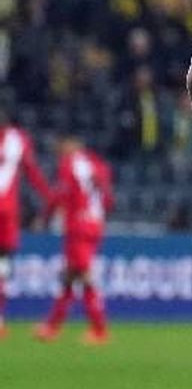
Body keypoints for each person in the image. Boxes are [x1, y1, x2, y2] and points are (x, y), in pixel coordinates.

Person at [35, 135, 114, 345]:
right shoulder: (97, 164)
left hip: (78, 226)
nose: (59, 153)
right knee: (70, 275)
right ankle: (52, 326)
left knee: (84, 275)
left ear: (69, 146)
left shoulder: (69, 165)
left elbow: (60, 194)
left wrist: (44, 217)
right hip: (95, 224)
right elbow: (108, 197)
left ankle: (99, 330)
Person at [0, 108, 52, 339]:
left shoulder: (17, 140)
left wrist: (50, 198)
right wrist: (50, 197)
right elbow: (33, 172)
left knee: (2, 267)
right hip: (6, 214)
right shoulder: (18, 140)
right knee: (2, 267)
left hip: (6, 215)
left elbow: (32, 172)